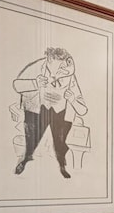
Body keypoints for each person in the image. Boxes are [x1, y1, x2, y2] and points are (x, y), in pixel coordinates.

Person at [12, 47, 87, 178]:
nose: (56, 76)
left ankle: (62, 164)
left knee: (60, 142)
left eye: (60, 72)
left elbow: (83, 110)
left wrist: (73, 100)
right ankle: (26, 159)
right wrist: (35, 83)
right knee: (32, 139)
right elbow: (17, 85)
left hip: (60, 113)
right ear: (48, 61)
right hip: (36, 109)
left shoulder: (70, 76)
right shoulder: (36, 67)